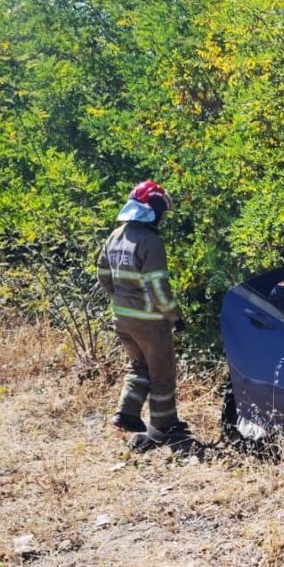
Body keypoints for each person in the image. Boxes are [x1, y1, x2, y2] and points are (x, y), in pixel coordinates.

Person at [96, 180, 189, 444]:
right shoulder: (150, 241)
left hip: (122, 318)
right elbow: (157, 286)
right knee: (162, 372)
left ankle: (126, 413)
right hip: (149, 322)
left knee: (138, 367)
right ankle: (164, 427)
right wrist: (175, 317)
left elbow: (103, 275)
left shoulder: (115, 236)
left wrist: (122, 299)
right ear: (153, 210)